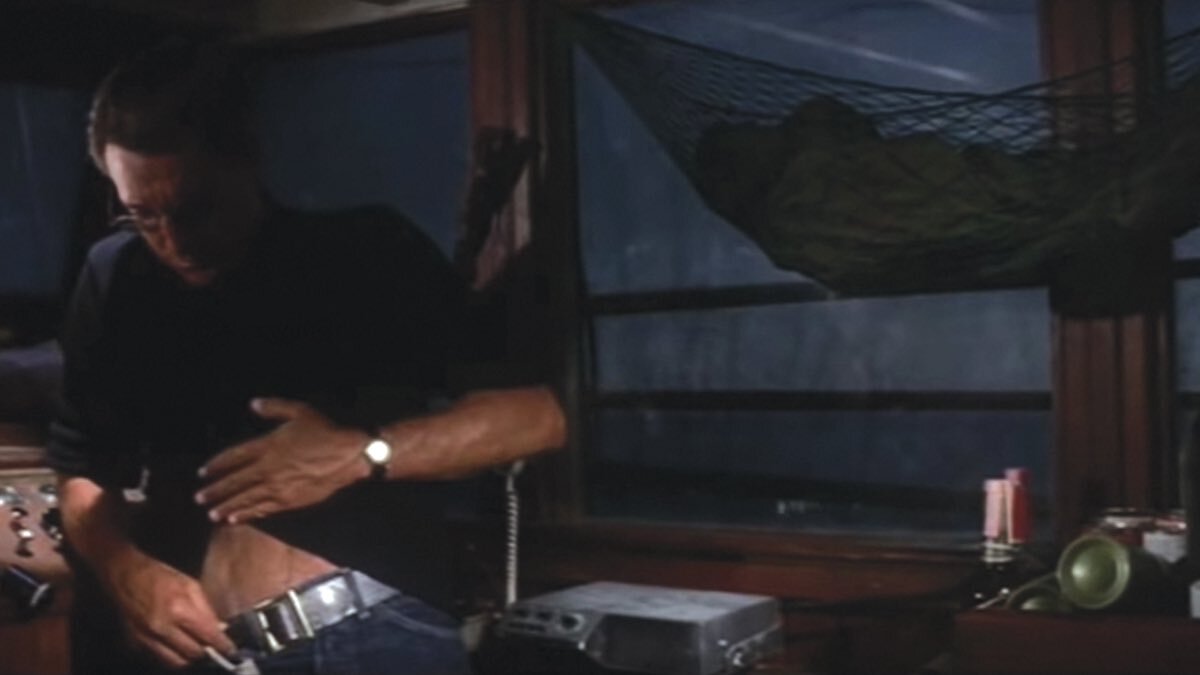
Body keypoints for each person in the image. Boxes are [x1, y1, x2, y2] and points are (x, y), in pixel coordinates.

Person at [46, 40, 565, 674]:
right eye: (143, 216)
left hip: (365, 641)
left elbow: (538, 417)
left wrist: (364, 453)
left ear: (246, 161)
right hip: (197, 653)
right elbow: (81, 470)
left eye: (193, 209)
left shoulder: (364, 253)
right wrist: (126, 573)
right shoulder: (114, 279)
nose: (174, 242)